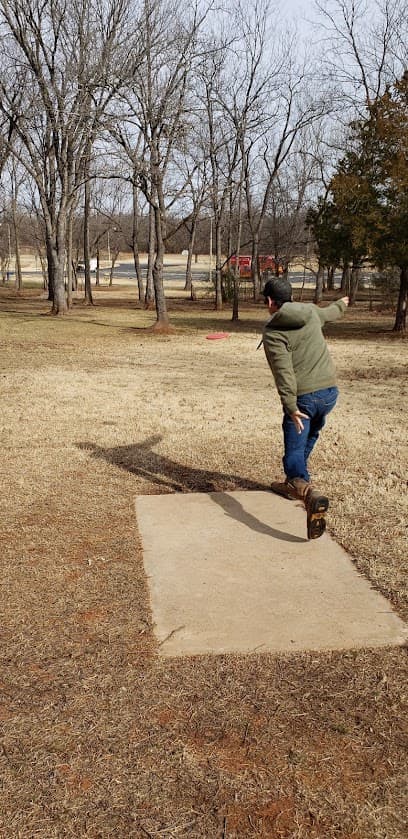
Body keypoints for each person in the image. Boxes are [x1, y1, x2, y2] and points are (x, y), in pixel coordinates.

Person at [261, 277, 349, 539]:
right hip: (330, 393)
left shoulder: (275, 332)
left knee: (294, 450)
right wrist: (342, 303)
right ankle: (292, 483)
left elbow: (283, 373)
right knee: (309, 437)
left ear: (269, 302)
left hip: (304, 399)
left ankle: (308, 492)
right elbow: (331, 312)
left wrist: (290, 406)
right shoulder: (310, 312)